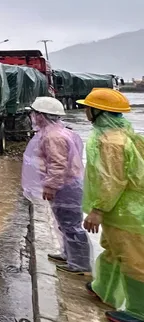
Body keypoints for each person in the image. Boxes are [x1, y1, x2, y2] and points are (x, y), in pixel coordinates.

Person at [79, 88, 144, 322]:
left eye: (87, 107)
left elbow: (111, 181)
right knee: (113, 250)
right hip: (126, 209)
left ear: (97, 111)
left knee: (134, 259)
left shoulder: (109, 143)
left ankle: (139, 312)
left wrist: (98, 210)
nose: (84, 111)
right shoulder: (123, 133)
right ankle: (103, 288)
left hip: (126, 211)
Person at [22, 96, 92, 274]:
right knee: (65, 223)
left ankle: (80, 265)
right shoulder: (62, 131)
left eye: (35, 113)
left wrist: (50, 186)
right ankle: (69, 255)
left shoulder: (53, 137)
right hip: (70, 184)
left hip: (66, 186)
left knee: (71, 225)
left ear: (41, 116)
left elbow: (58, 164)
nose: (32, 116)